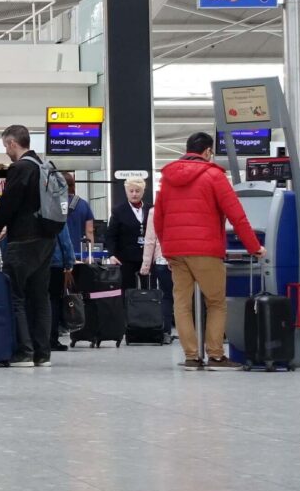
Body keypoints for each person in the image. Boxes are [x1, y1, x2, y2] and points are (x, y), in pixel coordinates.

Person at [154, 132, 265, 370]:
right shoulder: (214, 175)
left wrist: (168, 248)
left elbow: (159, 218)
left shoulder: (168, 178)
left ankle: (192, 356)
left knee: (181, 304)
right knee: (215, 302)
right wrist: (254, 247)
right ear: (207, 151)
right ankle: (215, 355)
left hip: (176, 251)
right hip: (205, 249)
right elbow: (237, 215)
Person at [0, 125, 56, 367]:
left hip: (23, 240)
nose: (6, 152)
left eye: (5, 146)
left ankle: (23, 352)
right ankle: (42, 354)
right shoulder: (44, 166)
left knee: (16, 296)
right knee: (40, 297)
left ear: (13, 143)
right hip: (46, 239)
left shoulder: (20, 168)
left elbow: (8, 205)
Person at [105, 178, 152, 289]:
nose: (134, 194)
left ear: (143, 191)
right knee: (127, 290)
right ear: (126, 192)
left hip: (147, 257)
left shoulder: (151, 209)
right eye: (131, 191)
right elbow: (111, 235)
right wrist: (111, 255)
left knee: (148, 290)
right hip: (125, 258)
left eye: (137, 191)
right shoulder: (118, 211)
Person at [139, 208, 174, 345]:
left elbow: (150, 241)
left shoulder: (155, 212)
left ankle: (165, 332)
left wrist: (146, 265)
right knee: (185, 299)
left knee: (166, 297)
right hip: (184, 258)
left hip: (162, 260)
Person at [48, 227, 75, 352]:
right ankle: (52, 339)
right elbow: (65, 241)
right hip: (55, 264)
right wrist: (69, 263)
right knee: (54, 302)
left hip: (36, 263)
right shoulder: (56, 214)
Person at [63, 172, 94, 244]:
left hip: (58, 252)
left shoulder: (53, 204)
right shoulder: (84, 204)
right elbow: (90, 231)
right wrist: (90, 252)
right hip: (78, 251)